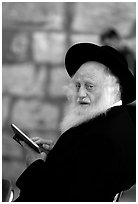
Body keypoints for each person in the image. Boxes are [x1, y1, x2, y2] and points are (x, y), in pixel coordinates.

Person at [14, 43, 136, 202]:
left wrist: (34, 165)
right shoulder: (111, 121)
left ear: (113, 90)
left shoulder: (103, 140)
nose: (80, 94)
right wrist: (57, 155)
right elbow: (78, 170)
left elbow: (59, 197)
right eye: (77, 85)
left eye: (89, 86)